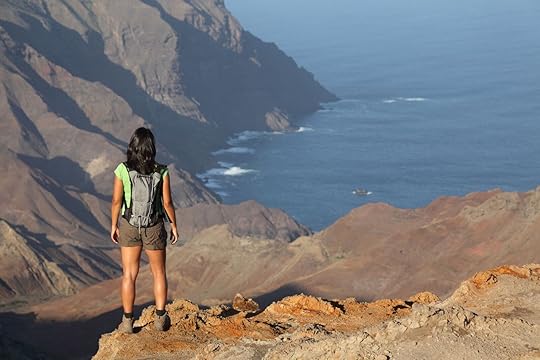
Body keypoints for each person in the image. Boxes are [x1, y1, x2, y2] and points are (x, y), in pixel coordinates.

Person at [110, 127, 179, 333]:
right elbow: (167, 202)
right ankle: (160, 319)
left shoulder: (122, 170)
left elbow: (116, 201)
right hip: (154, 226)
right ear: (152, 147)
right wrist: (174, 224)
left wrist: (114, 225)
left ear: (132, 146)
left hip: (129, 225)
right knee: (159, 273)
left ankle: (128, 321)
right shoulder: (161, 171)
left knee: (129, 275)